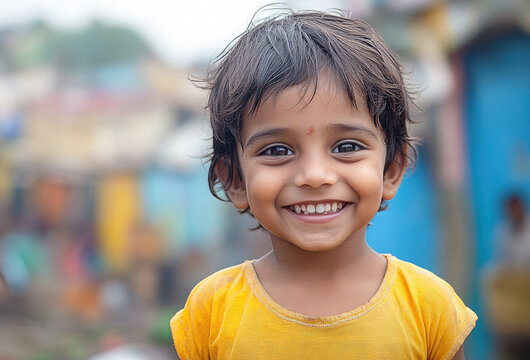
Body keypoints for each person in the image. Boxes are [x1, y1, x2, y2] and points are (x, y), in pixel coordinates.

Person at [170, 9, 477, 359]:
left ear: (391, 170)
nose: (315, 175)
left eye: (346, 147)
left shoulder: (430, 308)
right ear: (235, 181)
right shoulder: (212, 312)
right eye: (277, 150)